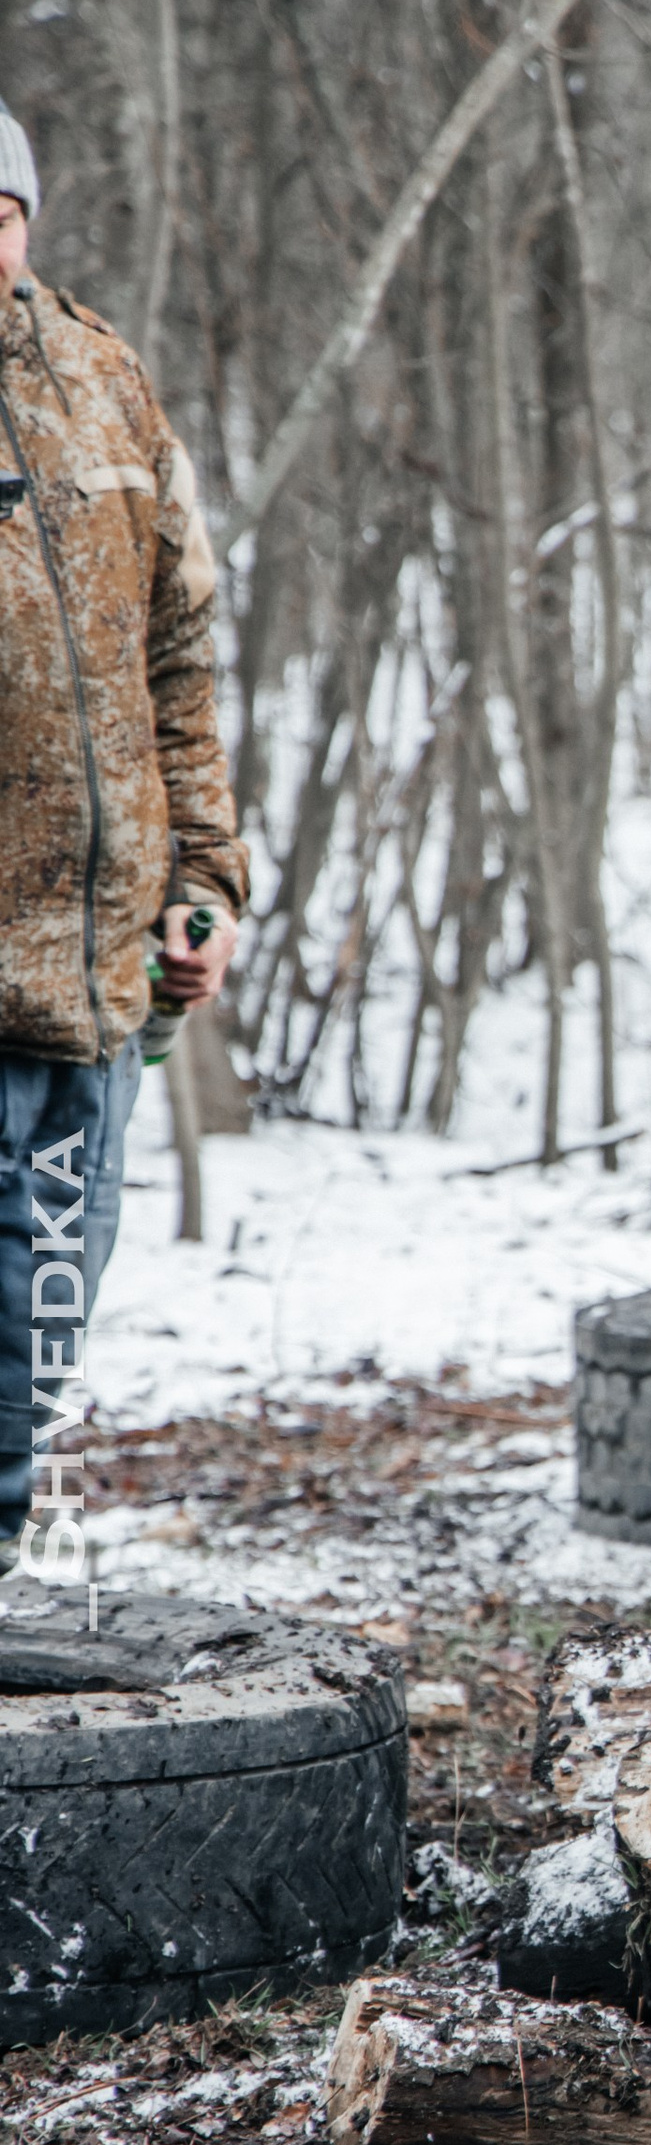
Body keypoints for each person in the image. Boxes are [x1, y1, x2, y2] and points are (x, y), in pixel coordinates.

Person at [0, 98, 244, 1560]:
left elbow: (179, 656)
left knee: (40, 1353)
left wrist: (201, 880)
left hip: (100, 991)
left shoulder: (105, 382)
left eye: (0, 209)